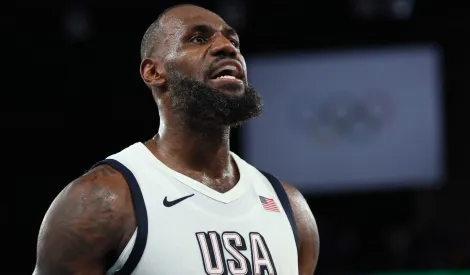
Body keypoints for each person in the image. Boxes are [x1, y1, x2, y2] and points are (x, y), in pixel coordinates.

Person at [33, 4, 319, 275]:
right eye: (197, 38)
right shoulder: (102, 200)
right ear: (153, 72)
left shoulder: (290, 208)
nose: (226, 47)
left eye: (234, 41)